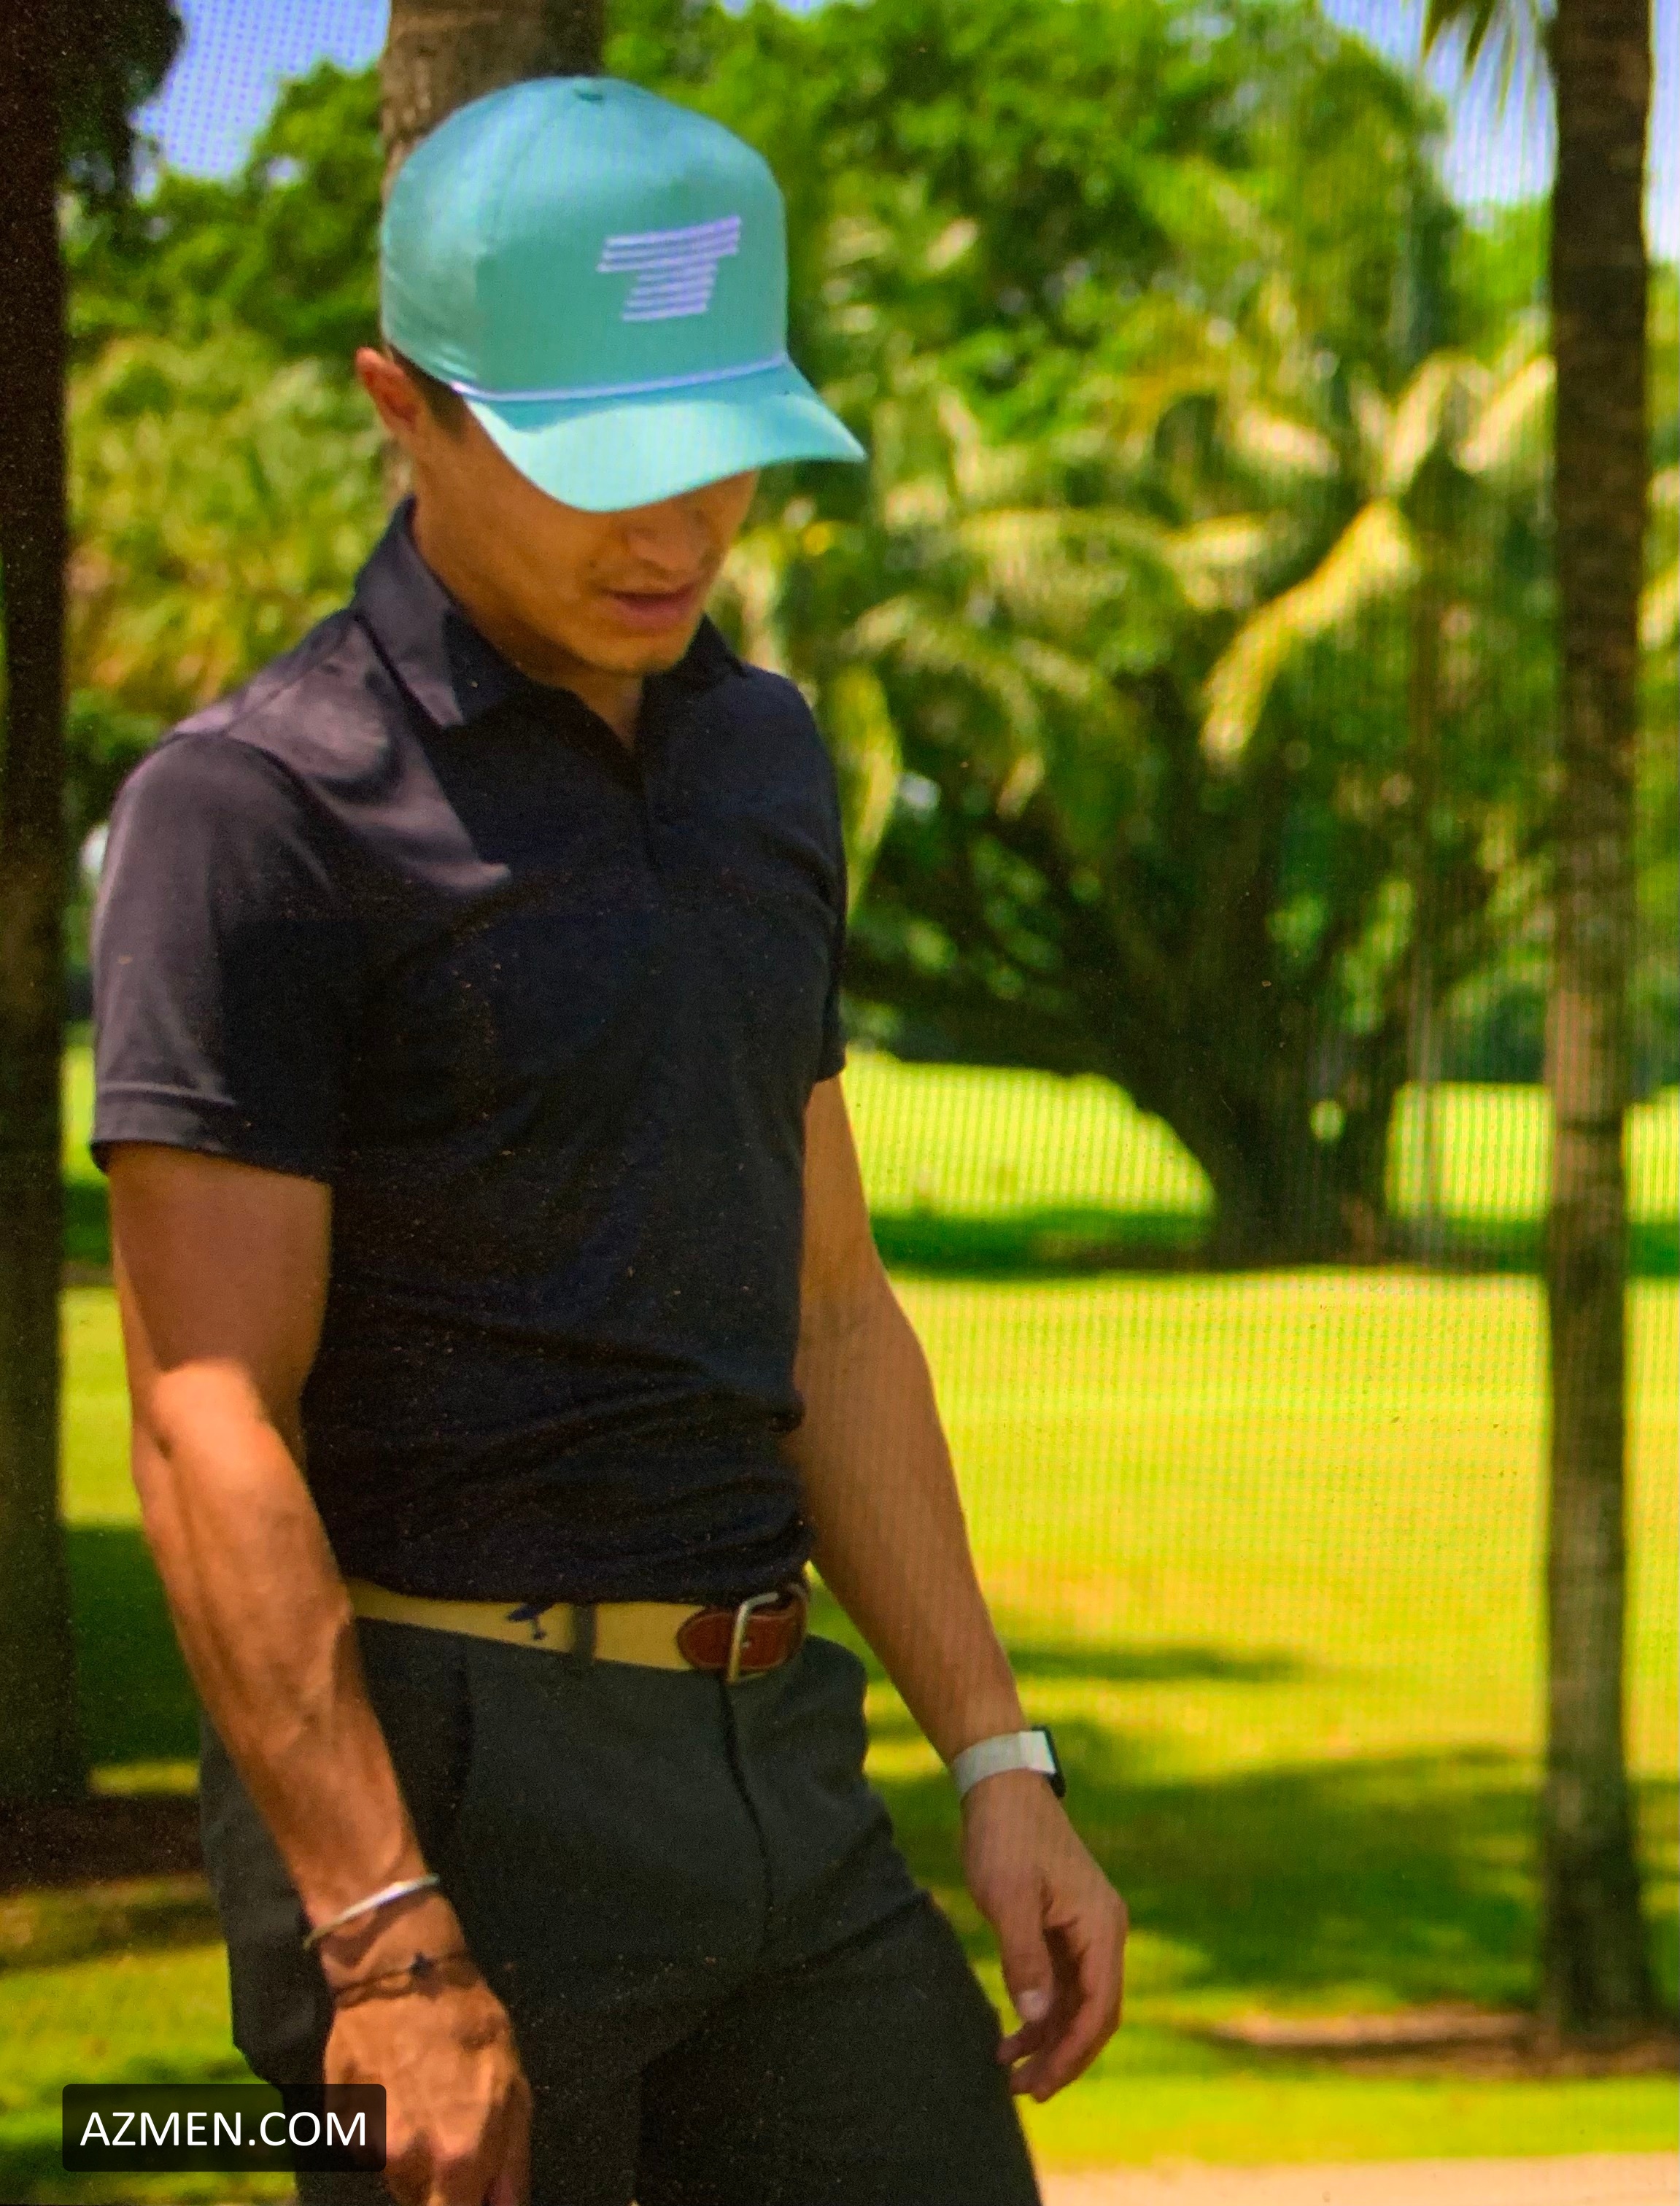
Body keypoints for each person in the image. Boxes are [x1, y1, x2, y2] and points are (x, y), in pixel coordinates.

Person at [93, 76, 1126, 2206]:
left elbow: (827, 1309)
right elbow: (203, 1415)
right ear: (404, 409)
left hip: (778, 1759)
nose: (675, 529)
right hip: (443, 1787)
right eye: (597, 468)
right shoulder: (256, 809)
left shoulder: (765, 758)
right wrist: (381, 1937)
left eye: (715, 451)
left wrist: (998, 1758)